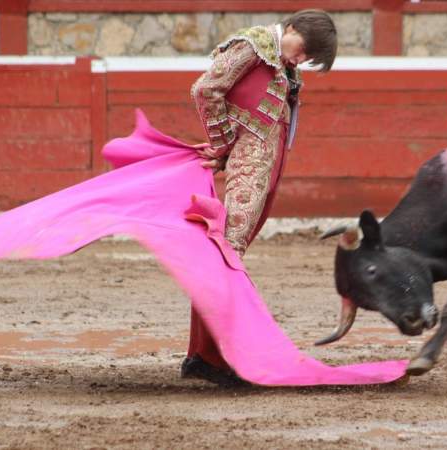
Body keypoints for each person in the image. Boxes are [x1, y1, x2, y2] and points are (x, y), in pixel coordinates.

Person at [182, 10, 338, 384]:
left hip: (262, 168)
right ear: (294, 28)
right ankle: (212, 358)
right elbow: (205, 89)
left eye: (309, 58)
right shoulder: (255, 45)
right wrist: (222, 145)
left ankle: (205, 356)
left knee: (230, 254)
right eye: (305, 50)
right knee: (227, 253)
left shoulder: (282, 64)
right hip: (248, 167)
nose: (302, 60)